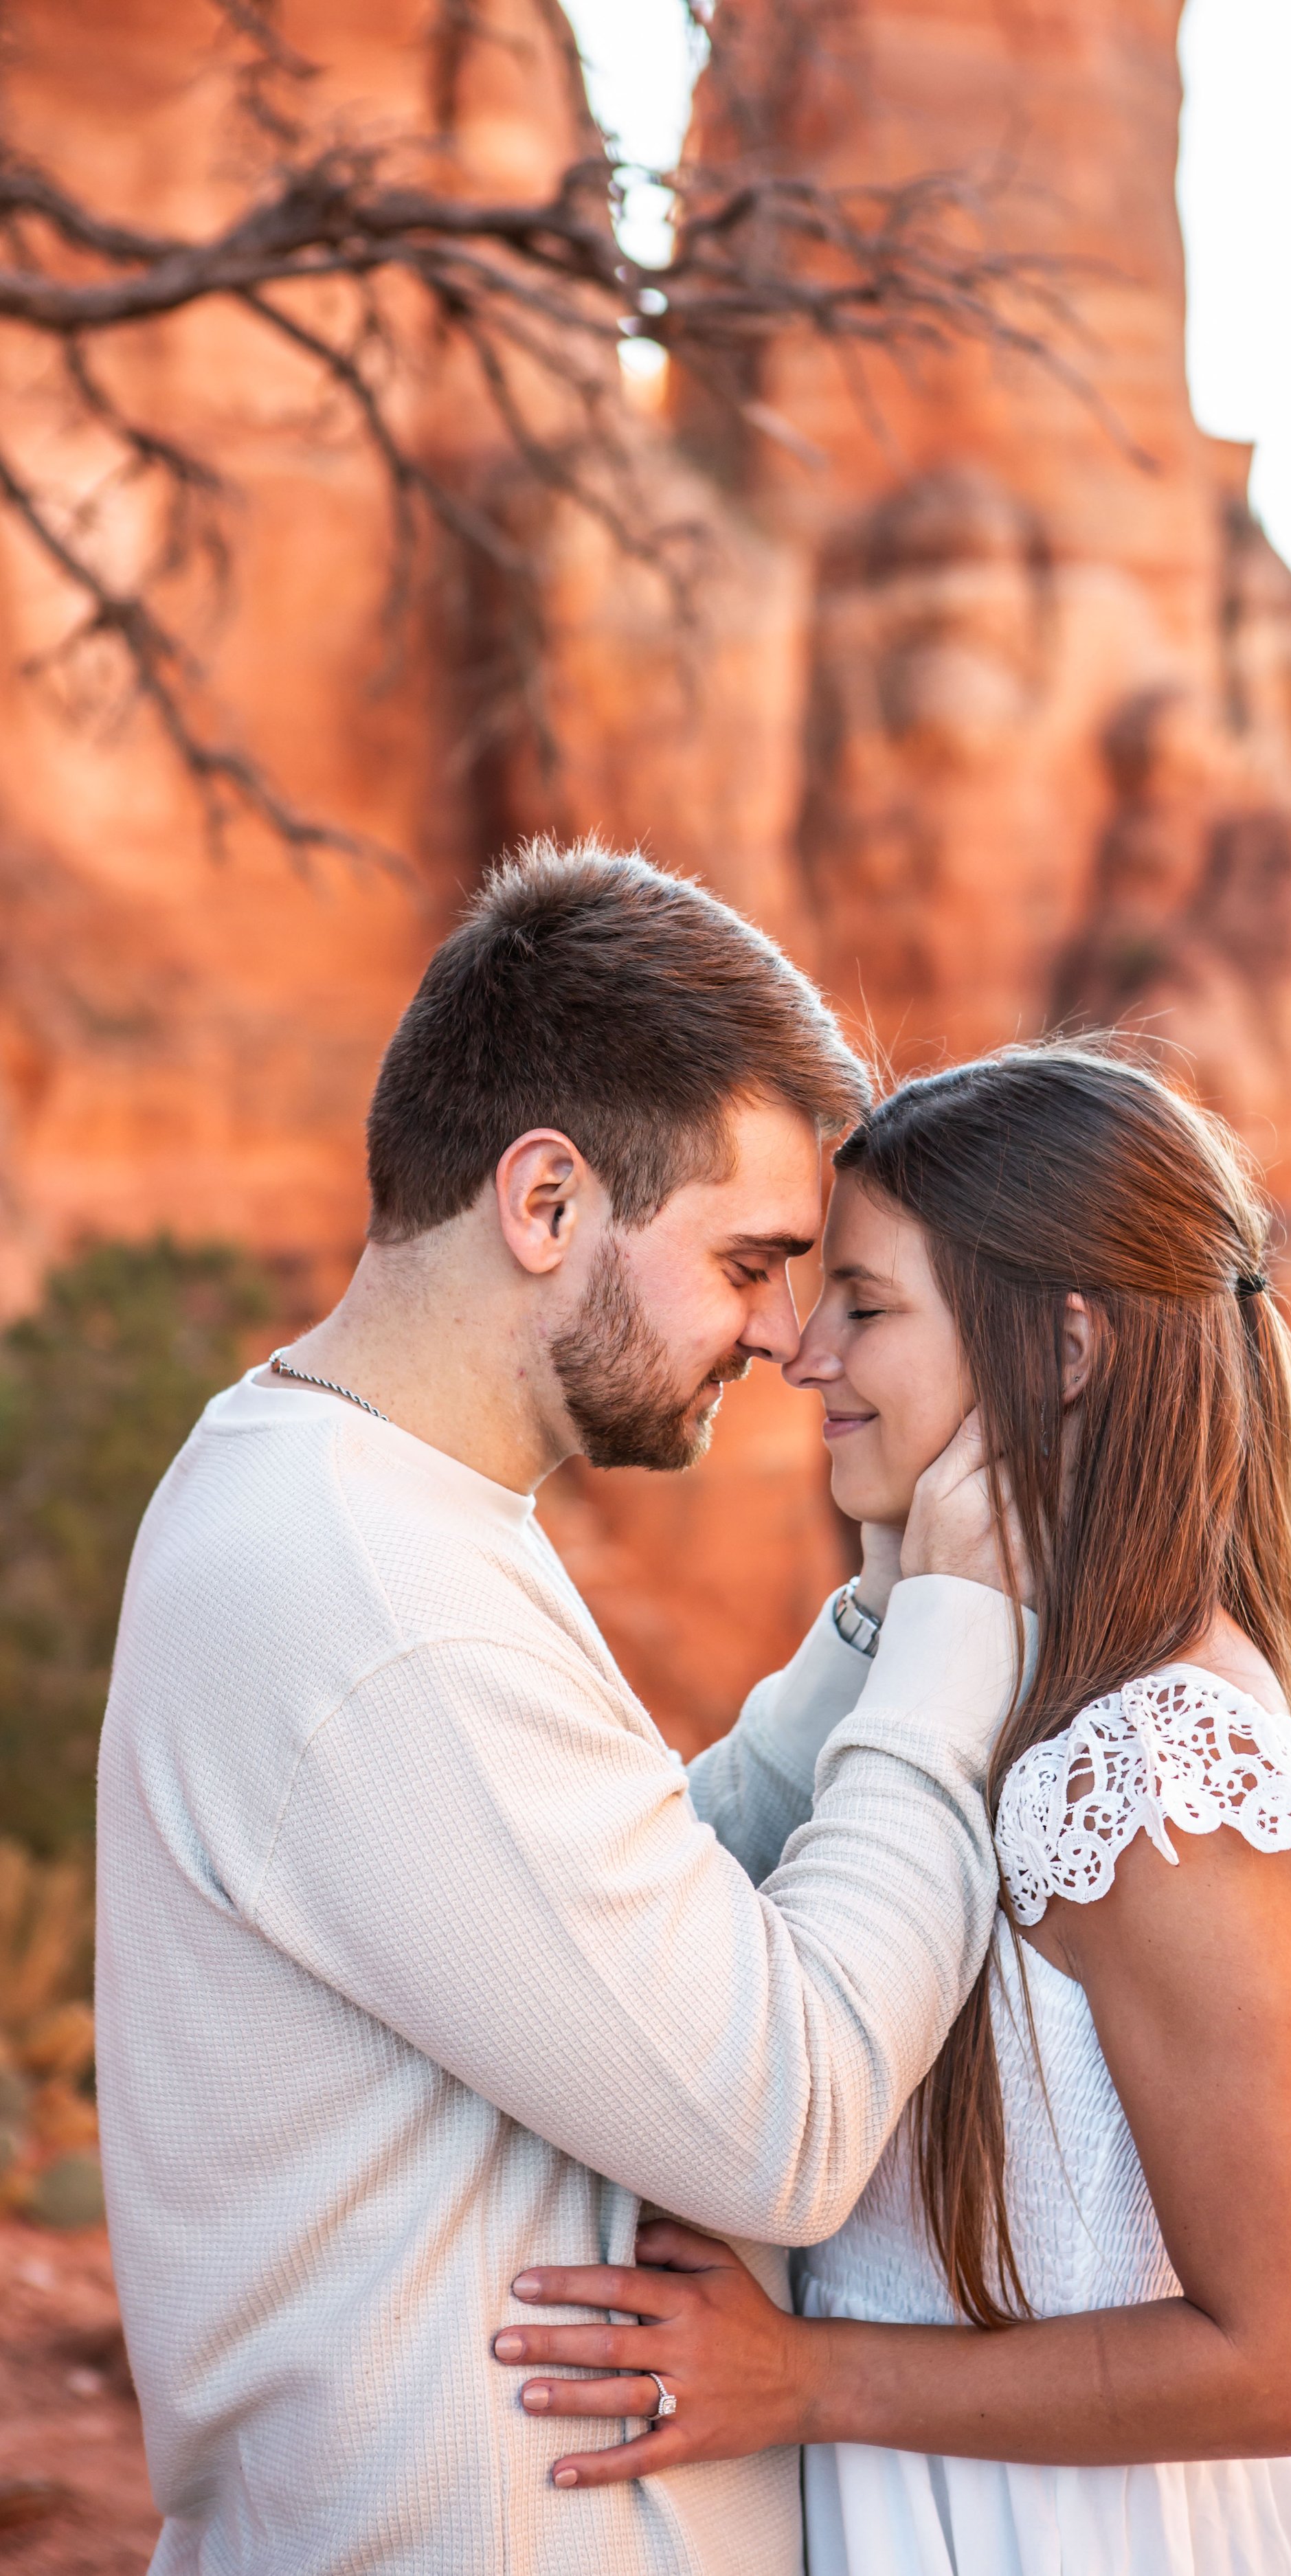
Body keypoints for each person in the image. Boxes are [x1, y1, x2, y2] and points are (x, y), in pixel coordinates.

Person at [95, 838, 1035, 2576]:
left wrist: (878, 1609)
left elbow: (631, 1893)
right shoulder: (373, 1598)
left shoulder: (369, 1510)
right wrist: (961, 1635)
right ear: (545, 1204)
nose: (780, 1336)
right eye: (751, 1260)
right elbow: (793, 2116)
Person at [489, 1048, 1291, 2575]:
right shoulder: (973, 1695)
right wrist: (896, 1613)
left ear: (1061, 1348)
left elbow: (1280, 2363)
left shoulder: (1159, 1769)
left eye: (865, 1307)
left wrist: (804, 2382)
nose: (804, 1355)